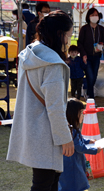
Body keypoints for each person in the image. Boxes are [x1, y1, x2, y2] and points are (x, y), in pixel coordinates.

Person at [7, 10, 75, 191]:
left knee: (44, 182)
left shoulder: (28, 54)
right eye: (68, 35)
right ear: (60, 34)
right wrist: (65, 138)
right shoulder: (52, 63)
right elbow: (55, 107)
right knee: (45, 184)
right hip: (48, 133)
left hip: (31, 128)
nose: (68, 41)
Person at [58, 99, 102, 191]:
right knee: (73, 185)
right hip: (72, 164)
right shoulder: (72, 131)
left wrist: (88, 141)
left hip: (71, 163)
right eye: (82, 112)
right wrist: (94, 150)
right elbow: (78, 146)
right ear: (74, 114)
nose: (84, 115)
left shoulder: (71, 129)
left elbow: (79, 140)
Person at [77, 8, 104, 99]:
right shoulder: (84, 28)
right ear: (88, 16)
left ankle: (86, 90)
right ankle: (91, 98)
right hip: (87, 57)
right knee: (90, 76)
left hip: (97, 56)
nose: (94, 17)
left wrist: (101, 45)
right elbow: (80, 43)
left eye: (96, 15)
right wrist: (83, 54)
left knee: (94, 77)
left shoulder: (101, 29)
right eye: (92, 15)